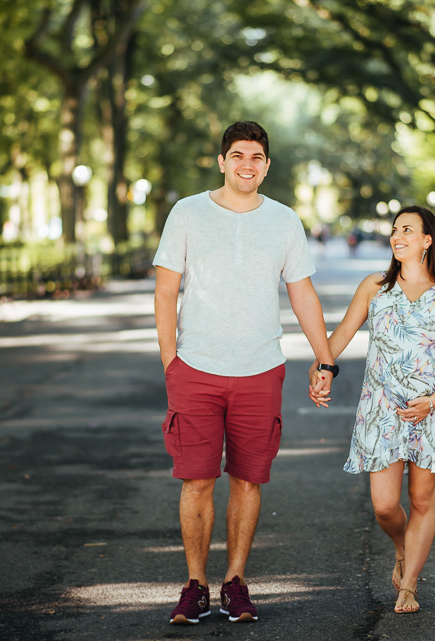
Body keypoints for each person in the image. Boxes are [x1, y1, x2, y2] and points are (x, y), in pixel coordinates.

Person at [154, 121, 337, 625]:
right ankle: (195, 585)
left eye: (256, 157)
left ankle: (235, 582)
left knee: (248, 481)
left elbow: (302, 295)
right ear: (221, 161)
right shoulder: (187, 212)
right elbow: (166, 291)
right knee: (195, 481)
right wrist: (172, 362)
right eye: (237, 155)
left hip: (261, 369)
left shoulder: (283, 221)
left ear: (267, 165)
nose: (246, 165)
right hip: (196, 368)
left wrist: (324, 360)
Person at [310, 205, 435, 614]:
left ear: (427, 240)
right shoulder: (374, 287)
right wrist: (321, 367)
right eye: (394, 229)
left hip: (432, 409)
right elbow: (344, 331)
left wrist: (433, 400)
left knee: (422, 500)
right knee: (385, 505)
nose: (397, 235)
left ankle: (410, 585)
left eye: (407, 229)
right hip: (381, 409)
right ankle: (404, 547)